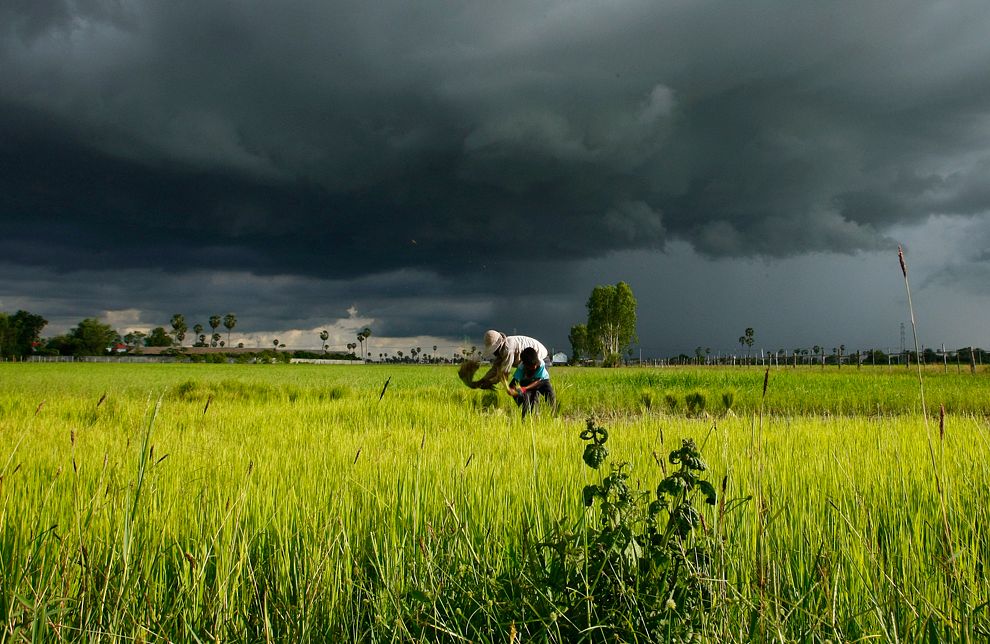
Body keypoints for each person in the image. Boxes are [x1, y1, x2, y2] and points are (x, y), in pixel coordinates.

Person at [469, 329, 549, 390]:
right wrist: (482, 380)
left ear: (498, 345)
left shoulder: (508, 349)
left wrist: (490, 383)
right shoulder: (500, 351)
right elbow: (495, 368)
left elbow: (504, 373)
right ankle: (530, 410)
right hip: (527, 363)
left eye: (493, 350)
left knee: (532, 388)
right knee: (523, 388)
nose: (493, 353)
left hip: (539, 359)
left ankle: (536, 410)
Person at [507, 347, 556, 418]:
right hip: (526, 381)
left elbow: (537, 382)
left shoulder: (541, 364)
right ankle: (526, 419)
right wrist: (512, 391)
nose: (535, 367)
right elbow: (513, 383)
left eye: (536, 365)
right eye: (532, 366)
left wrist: (524, 388)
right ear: (525, 365)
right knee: (528, 398)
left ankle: (552, 416)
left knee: (551, 395)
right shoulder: (521, 368)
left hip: (542, 380)